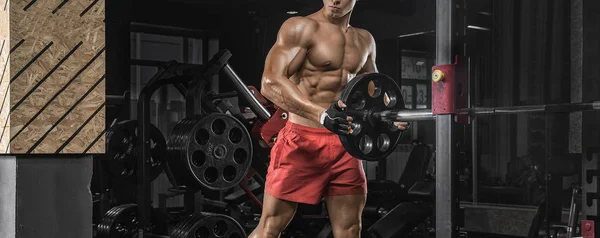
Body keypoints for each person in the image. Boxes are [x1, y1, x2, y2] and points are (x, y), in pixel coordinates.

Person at [251, 0, 409, 237]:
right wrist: (321, 115)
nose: (333, 0)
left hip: (345, 144)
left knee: (350, 229)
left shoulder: (364, 40)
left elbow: (375, 90)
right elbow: (270, 82)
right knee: (271, 228)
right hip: (301, 141)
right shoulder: (301, 28)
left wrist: (391, 117)